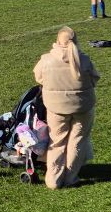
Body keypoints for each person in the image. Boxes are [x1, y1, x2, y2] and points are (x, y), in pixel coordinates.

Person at [33, 27, 99, 190]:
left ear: (57, 41)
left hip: (56, 108)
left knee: (57, 141)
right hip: (83, 107)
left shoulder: (46, 59)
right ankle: (70, 177)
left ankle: (54, 179)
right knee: (77, 141)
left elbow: (38, 77)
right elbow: (95, 78)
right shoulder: (84, 59)